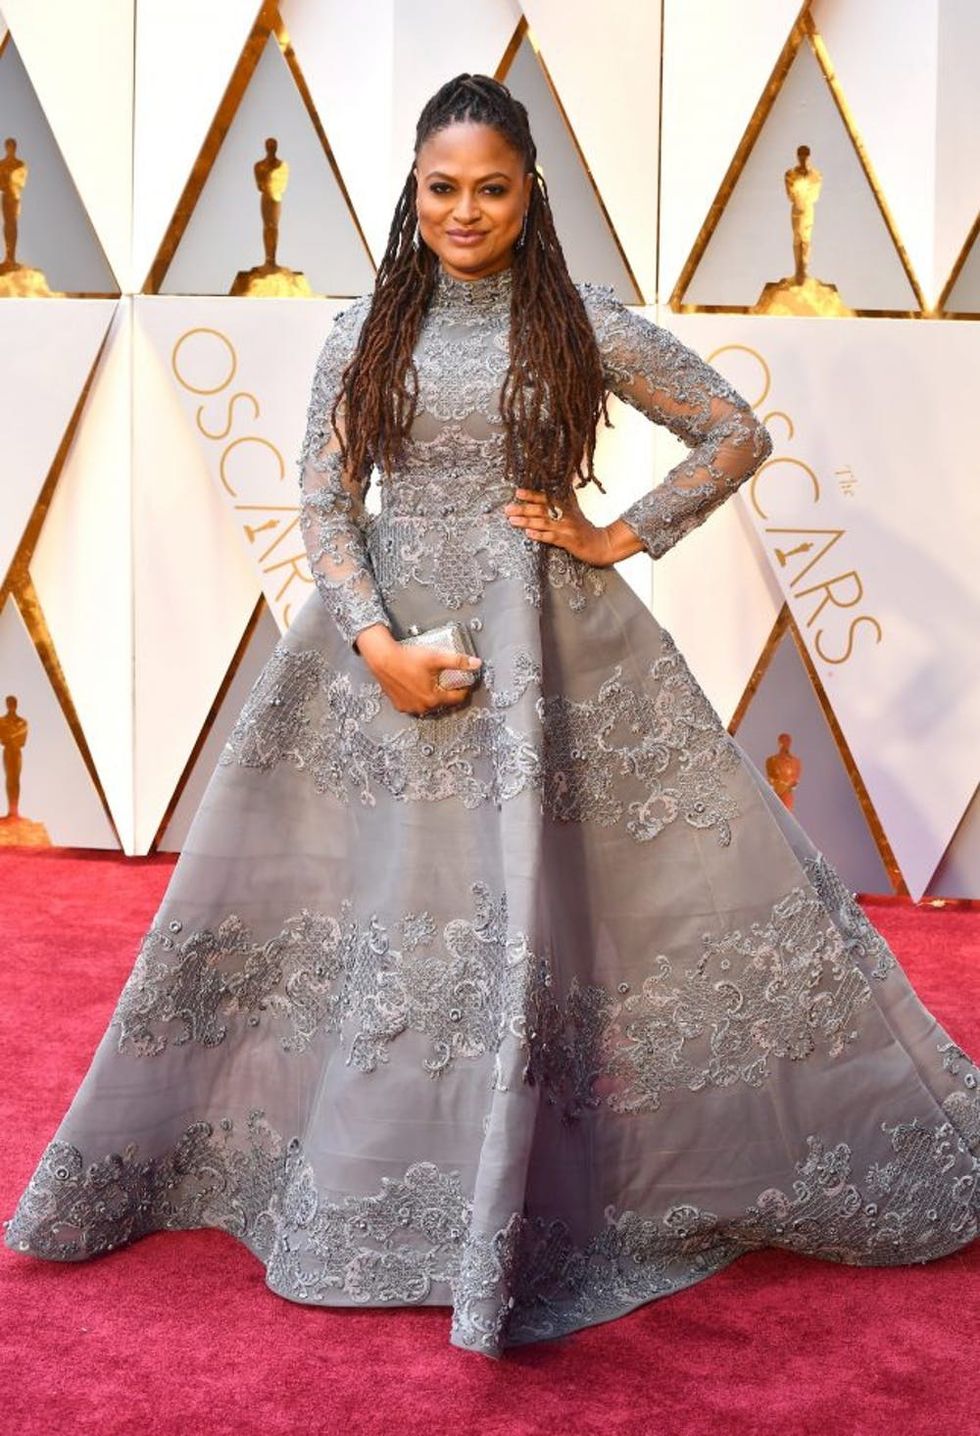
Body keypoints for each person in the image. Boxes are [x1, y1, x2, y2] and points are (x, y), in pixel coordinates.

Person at [4, 74, 978, 1360]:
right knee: (379, 916)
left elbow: (730, 432)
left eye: (492, 188)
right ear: (411, 191)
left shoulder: (578, 321)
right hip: (384, 652)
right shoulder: (362, 330)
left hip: (544, 648)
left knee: (556, 908)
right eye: (440, 187)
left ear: (531, 194)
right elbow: (324, 505)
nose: (463, 211)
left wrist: (613, 534)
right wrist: (378, 649)